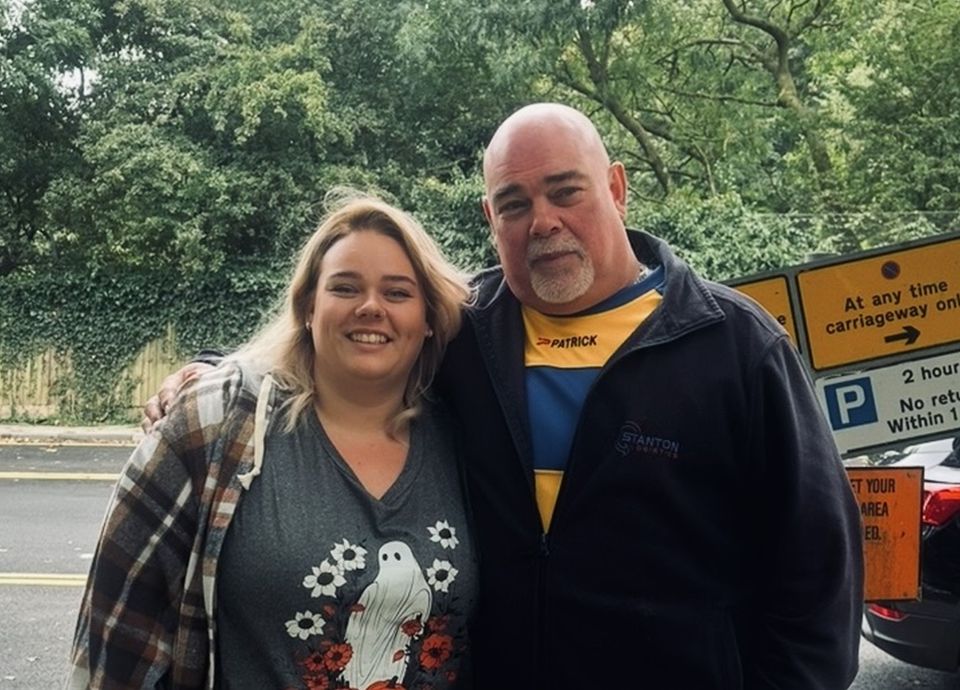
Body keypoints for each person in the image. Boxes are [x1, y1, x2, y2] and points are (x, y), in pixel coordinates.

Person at [145, 104, 864, 689]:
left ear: (614, 188)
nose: (542, 221)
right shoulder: (466, 331)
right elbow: (344, 344)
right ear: (492, 220)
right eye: (513, 203)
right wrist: (211, 372)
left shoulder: (734, 346)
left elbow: (816, 583)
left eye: (564, 190)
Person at [69, 196, 477, 689]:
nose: (370, 307)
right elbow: (116, 636)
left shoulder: (468, 437)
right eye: (345, 287)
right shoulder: (217, 424)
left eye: (397, 293)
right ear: (308, 307)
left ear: (429, 317)